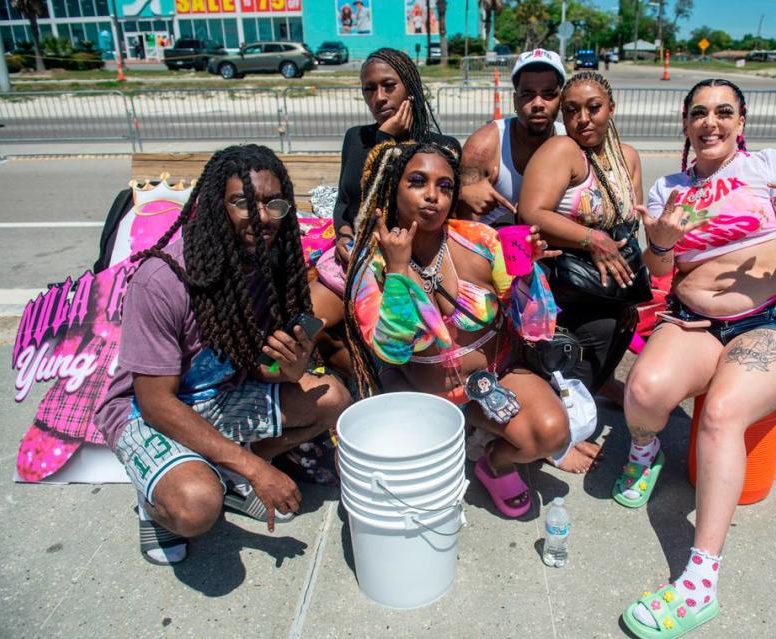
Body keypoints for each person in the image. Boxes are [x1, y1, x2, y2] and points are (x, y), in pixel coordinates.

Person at [619, 78, 776, 638]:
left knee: (720, 415)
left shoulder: (766, 168)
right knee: (644, 390)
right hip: (699, 322)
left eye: (724, 112)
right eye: (699, 113)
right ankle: (646, 454)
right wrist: (663, 241)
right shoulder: (672, 186)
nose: (710, 122)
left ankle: (699, 583)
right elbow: (661, 271)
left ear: (741, 123)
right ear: (686, 124)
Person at [94, 145, 352, 565]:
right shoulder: (163, 278)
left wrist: (290, 370)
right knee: (197, 505)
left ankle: (224, 471)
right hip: (147, 413)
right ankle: (156, 503)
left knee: (331, 399)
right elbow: (156, 402)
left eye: (274, 203)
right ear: (216, 204)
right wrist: (257, 470)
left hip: (218, 397)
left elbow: (256, 366)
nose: (263, 217)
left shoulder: (268, 266)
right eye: (242, 203)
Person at [342, 139, 569, 519]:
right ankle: (469, 432)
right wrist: (398, 273)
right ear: (392, 190)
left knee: (552, 432)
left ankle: (494, 460)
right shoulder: (374, 264)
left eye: (444, 186)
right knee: (404, 490)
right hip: (420, 394)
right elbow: (392, 350)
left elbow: (536, 324)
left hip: (493, 380)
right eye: (417, 182)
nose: (432, 196)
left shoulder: (481, 241)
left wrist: (527, 272)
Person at [518, 71, 643, 408]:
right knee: (568, 364)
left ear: (611, 108)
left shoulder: (627, 157)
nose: (582, 119)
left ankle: (580, 409)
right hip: (567, 285)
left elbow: (631, 221)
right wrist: (592, 238)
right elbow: (530, 212)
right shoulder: (562, 150)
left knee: (612, 337)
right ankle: (555, 432)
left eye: (593, 108)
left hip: (610, 286)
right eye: (571, 111)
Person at [330, 47, 460, 272]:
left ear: (411, 88)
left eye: (389, 86)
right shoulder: (356, 138)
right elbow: (345, 202)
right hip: (360, 252)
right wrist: (343, 235)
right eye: (369, 89)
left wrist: (385, 140)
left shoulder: (440, 148)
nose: (379, 98)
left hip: (419, 261)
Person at [458, 48, 566, 229]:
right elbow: (461, 223)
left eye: (548, 94)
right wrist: (462, 194)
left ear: (561, 100)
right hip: (491, 251)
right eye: (528, 95)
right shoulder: (484, 146)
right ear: (515, 100)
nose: (538, 104)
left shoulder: (570, 142)